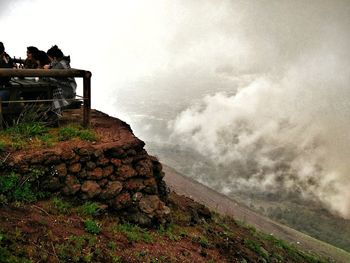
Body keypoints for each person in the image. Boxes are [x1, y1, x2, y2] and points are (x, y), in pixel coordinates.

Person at [45, 45, 77, 111]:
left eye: (50, 59)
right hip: (68, 87)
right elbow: (53, 66)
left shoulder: (61, 64)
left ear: (54, 58)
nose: (50, 61)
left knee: (51, 90)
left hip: (68, 90)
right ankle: (54, 112)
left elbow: (50, 75)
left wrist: (46, 70)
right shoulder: (62, 62)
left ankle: (54, 112)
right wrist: (50, 66)